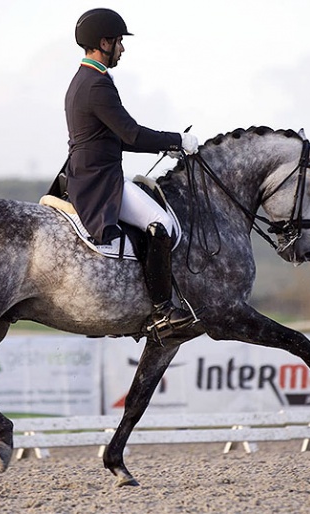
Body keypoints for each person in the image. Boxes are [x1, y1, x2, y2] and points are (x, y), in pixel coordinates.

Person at [64, 8, 199, 338]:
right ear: (104, 42)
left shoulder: (84, 79)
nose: (123, 49)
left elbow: (112, 138)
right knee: (162, 224)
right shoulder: (96, 84)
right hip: (99, 181)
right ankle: (162, 311)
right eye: (120, 42)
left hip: (86, 172)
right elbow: (131, 134)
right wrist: (178, 141)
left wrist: (164, 146)